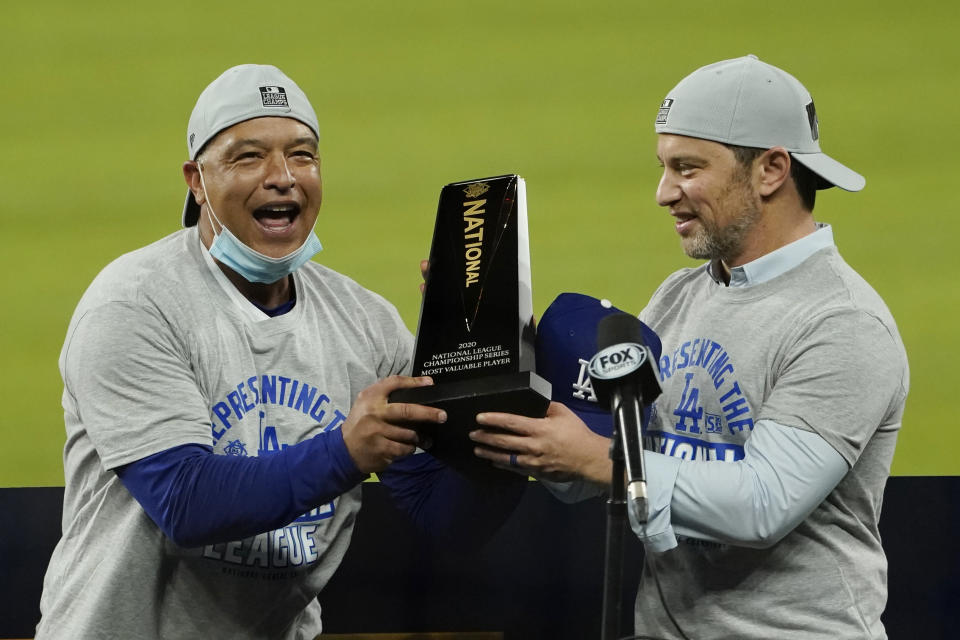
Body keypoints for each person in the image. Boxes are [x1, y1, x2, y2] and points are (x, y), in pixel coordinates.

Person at [37, 64, 523, 639]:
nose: (283, 178)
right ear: (196, 180)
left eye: (303, 155)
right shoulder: (135, 304)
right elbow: (185, 502)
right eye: (249, 157)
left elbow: (440, 511)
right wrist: (344, 453)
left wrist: (497, 397)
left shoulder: (364, 322)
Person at [470, 55, 909, 639]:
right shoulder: (681, 296)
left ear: (772, 169)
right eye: (664, 167)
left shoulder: (842, 323)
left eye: (687, 168)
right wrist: (501, 365)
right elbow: (595, 465)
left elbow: (761, 504)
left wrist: (595, 458)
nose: (663, 193)